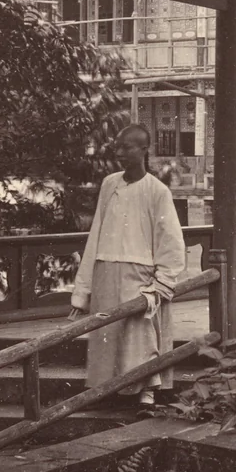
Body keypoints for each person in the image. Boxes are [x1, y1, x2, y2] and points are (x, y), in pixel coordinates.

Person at [68, 124, 185, 409]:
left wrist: (161, 281)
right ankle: (105, 390)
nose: (120, 153)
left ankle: (147, 393)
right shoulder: (110, 185)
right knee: (107, 334)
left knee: (140, 336)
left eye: (127, 148)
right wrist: (82, 292)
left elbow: (170, 240)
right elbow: (96, 233)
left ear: (144, 150)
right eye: (117, 148)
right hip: (106, 269)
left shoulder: (157, 191)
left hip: (140, 274)